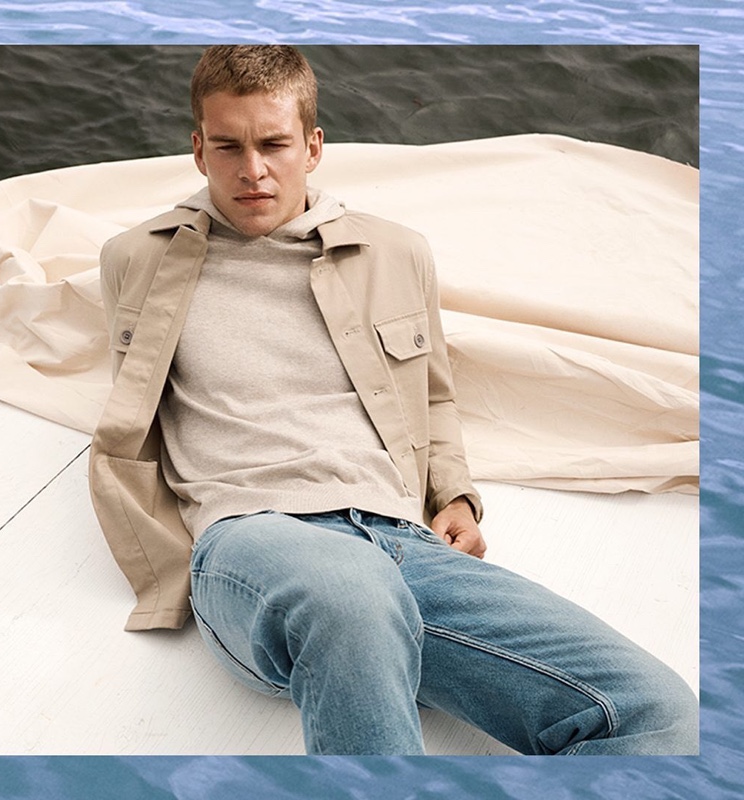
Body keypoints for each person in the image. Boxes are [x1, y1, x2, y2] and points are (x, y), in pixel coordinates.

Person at [88, 45, 698, 756]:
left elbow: (432, 395)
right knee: (349, 595)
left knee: (662, 714)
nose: (253, 170)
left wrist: (458, 497)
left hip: (399, 543)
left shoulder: (394, 252)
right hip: (251, 539)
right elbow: (135, 418)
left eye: (275, 144)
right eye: (228, 146)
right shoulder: (137, 258)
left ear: (313, 147)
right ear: (198, 150)